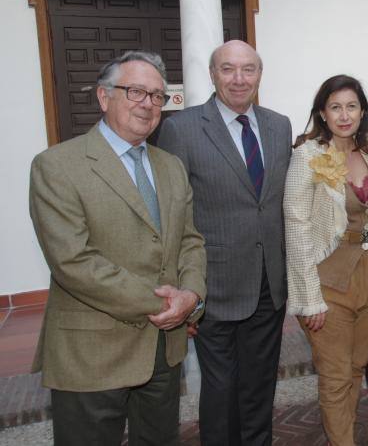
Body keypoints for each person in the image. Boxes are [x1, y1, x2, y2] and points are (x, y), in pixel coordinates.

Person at [28, 51, 206, 445]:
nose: (148, 103)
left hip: (163, 348)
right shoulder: (56, 165)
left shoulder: (171, 167)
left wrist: (191, 296)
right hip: (92, 352)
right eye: (135, 91)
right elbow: (72, 261)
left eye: (157, 96)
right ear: (103, 97)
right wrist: (164, 304)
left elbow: (190, 241)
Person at [158, 40, 292, 445]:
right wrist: (184, 289)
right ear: (213, 75)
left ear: (259, 75)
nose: (239, 79)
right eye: (228, 69)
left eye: (248, 69)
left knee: (259, 386)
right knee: (220, 391)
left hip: (269, 284)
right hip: (213, 286)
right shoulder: (181, 129)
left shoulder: (278, 125)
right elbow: (171, 216)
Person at [283, 74, 368, 446]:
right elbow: (296, 227)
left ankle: (339, 439)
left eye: (351, 106)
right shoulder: (308, 156)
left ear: (362, 111)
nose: (344, 115)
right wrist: (308, 297)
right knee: (335, 377)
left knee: (355, 368)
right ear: (322, 113)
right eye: (335, 107)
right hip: (327, 282)